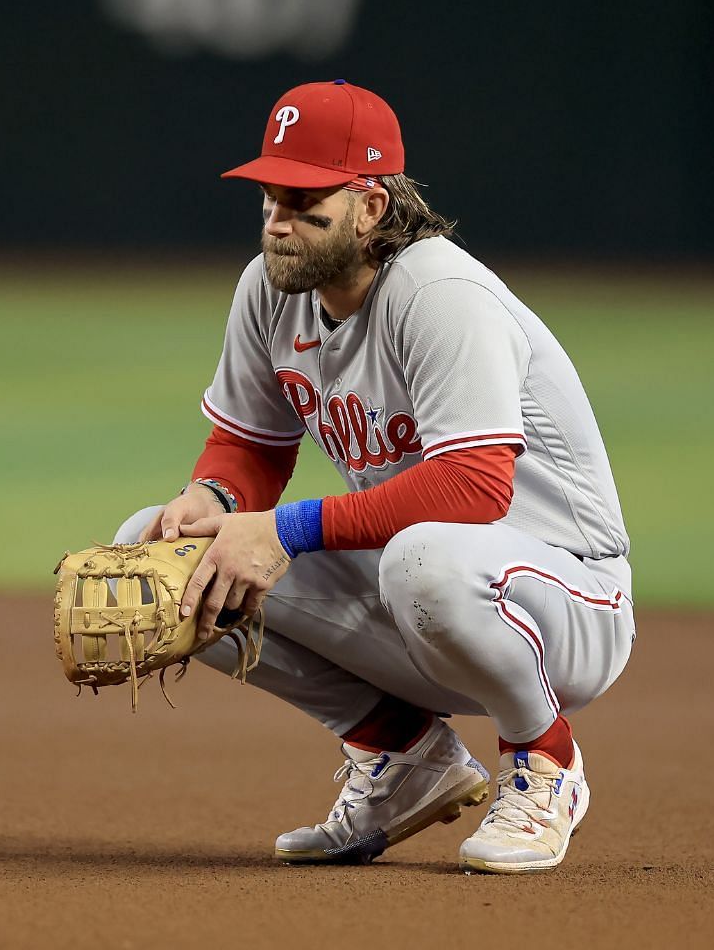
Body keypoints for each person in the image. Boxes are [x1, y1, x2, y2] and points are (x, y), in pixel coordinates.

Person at [121, 79, 633, 873]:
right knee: (163, 557)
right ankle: (404, 758)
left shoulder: (440, 293)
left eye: (303, 198)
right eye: (267, 198)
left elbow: (474, 488)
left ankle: (546, 760)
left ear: (371, 205)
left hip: (565, 598)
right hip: (426, 592)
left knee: (422, 556)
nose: (277, 221)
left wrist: (283, 529)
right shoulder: (269, 290)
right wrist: (210, 498)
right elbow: (250, 446)